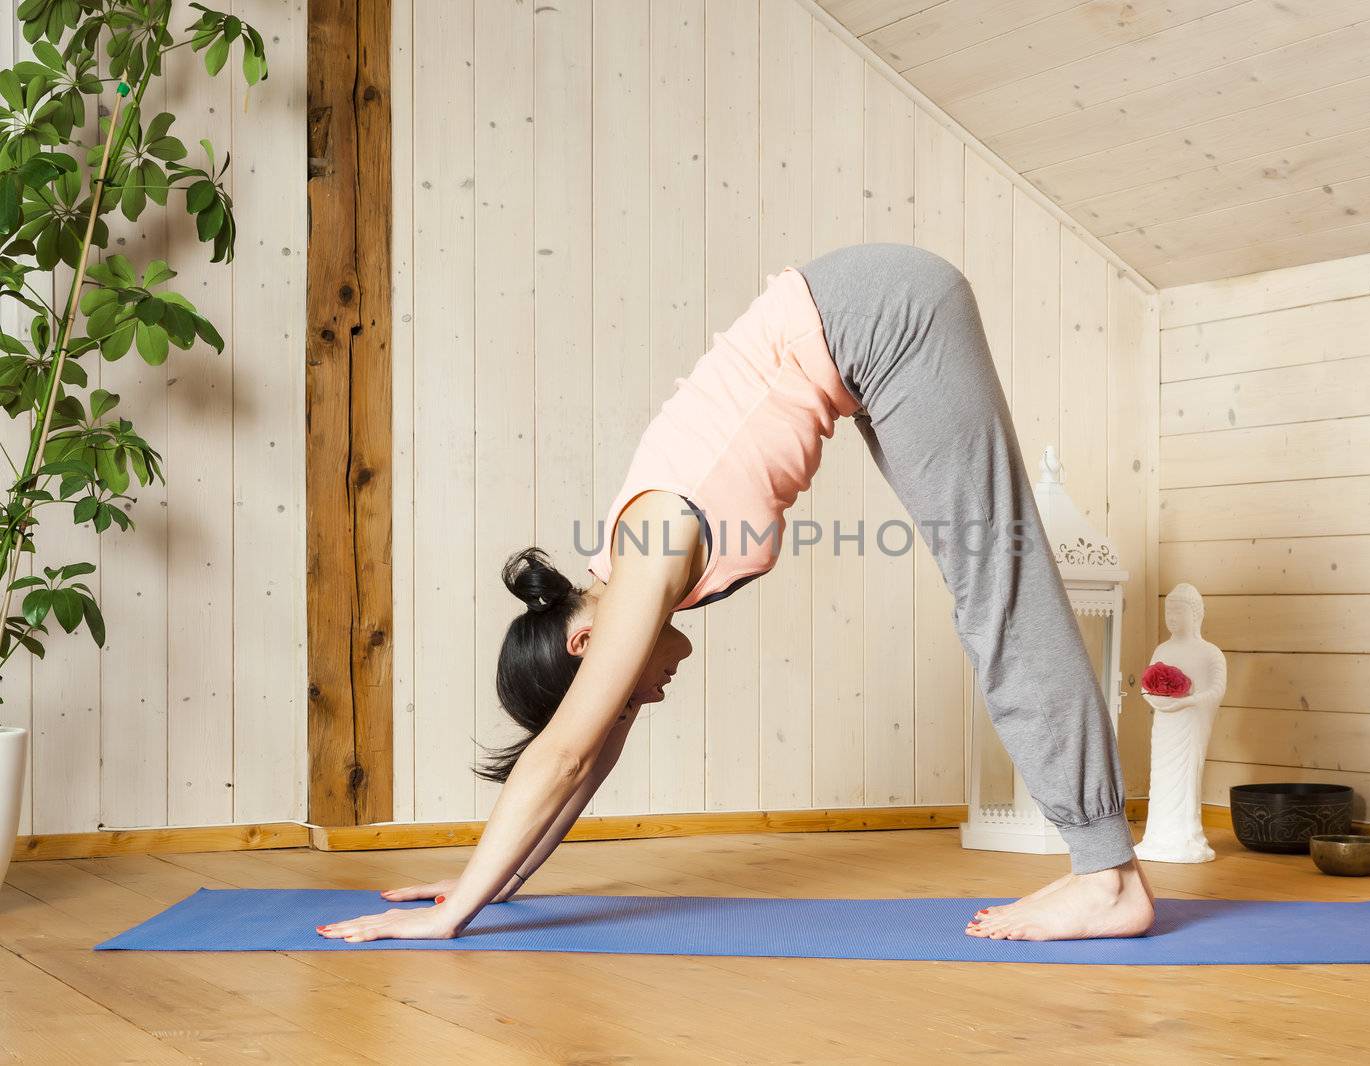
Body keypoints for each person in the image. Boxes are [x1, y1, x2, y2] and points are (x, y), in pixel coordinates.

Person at [317, 244, 1155, 944]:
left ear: (585, 645)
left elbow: (568, 749)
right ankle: (1104, 869)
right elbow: (588, 759)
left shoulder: (647, 552)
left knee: (996, 586)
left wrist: (450, 918)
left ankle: (1107, 877)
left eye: (619, 690)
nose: (646, 695)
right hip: (861, 328)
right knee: (989, 582)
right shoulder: (629, 571)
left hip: (881, 317)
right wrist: (491, 883)